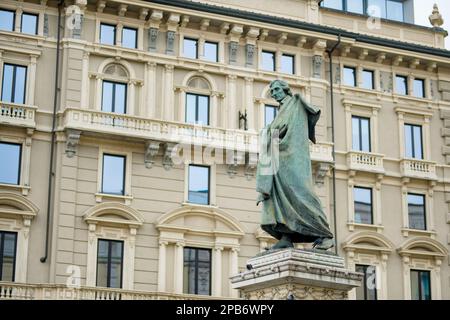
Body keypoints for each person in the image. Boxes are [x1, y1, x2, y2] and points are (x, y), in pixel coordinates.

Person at [256, 80, 334, 250]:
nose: (274, 93)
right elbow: (277, 131)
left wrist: (270, 134)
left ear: (285, 90)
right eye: (272, 91)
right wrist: (268, 134)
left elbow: (293, 131)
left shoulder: (295, 103)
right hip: (278, 160)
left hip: (292, 157)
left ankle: (324, 234)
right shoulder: (280, 111)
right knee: (280, 198)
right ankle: (286, 235)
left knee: (301, 193)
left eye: (277, 89)